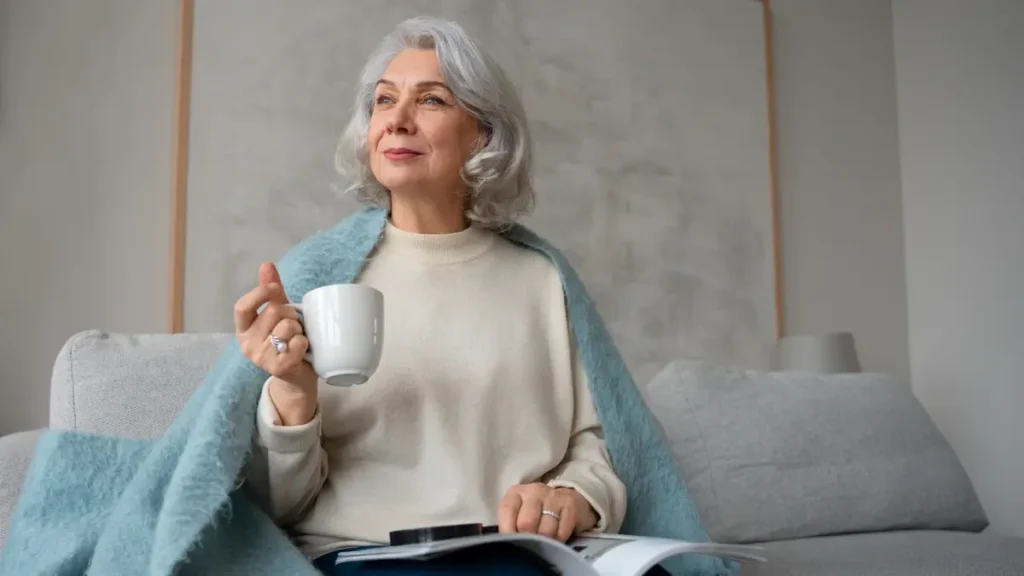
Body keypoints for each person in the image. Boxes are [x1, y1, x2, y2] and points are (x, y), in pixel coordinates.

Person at [235, 16, 628, 575]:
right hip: (362, 558)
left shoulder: (543, 281)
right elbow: (276, 508)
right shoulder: (314, 282)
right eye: (384, 100)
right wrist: (294, 396)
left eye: (431, 101)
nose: (396, 120)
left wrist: (575, 495)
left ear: (483, 135)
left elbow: (597, 440)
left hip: (513, 555)